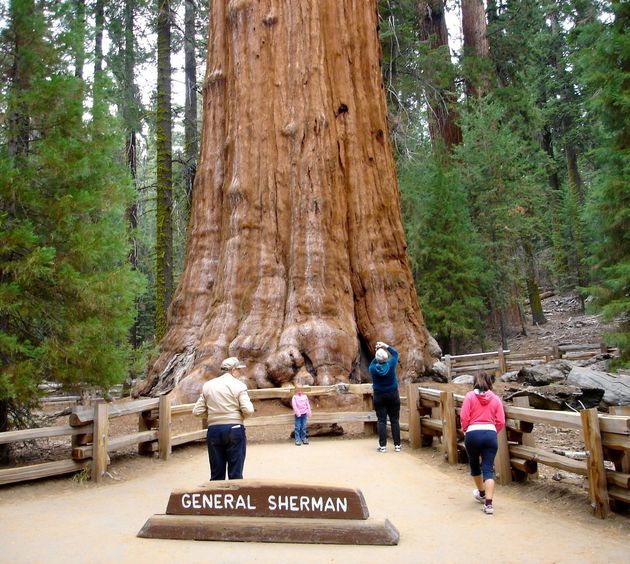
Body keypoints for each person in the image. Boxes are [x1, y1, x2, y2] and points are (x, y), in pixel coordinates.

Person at [192, 356, 255, 480]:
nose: (239, 372)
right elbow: (248, 410)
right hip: (235, 428)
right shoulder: (239, 386)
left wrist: (213, 416)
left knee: (216, 473)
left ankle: (216, 497)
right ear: (232, 370)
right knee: (235, 472)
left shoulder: (208, 386)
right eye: (238, 370)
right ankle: (235, 497)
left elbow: (197, 411)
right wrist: (239, 416)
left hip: (214, 430)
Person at [460, 371, 505, 515]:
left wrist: (466, 430)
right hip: (490, 433)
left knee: (474, 463)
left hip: (473, 432)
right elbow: (501, 421)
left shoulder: (469, 396)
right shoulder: (496, 399)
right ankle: (489, 504)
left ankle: (481, 492)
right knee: (488, 469)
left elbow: (464, 416)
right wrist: (493, 431)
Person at [368, 341, 401, 453]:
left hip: (379, 396)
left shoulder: (372, 369)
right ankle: (397, 445)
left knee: (381, 421)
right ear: (386, 357)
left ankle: (383, 446)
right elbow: (395, 353)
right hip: (393, 394)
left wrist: (377, 351)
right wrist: (385, 346)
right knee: (394, 420)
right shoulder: (391, 365)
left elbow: (373, 362)